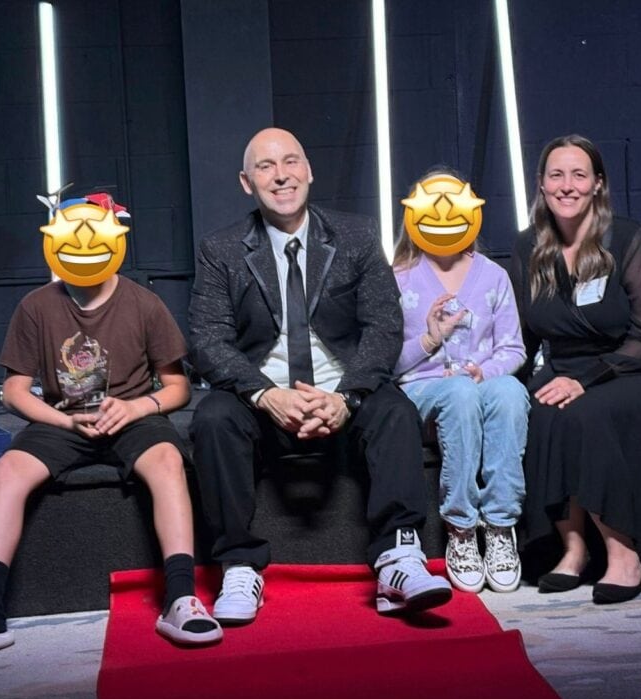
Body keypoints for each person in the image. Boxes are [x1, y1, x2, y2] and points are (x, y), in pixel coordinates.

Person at [0, 194, 222, 665]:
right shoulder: (36, 306)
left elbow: (178, 387)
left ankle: (180, 599)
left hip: (131, 417)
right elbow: (15, 391)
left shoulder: (145, 303)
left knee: (167, 461)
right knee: (8, 471)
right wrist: (62, 418)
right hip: (63, 419)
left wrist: (137, 406)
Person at [188, 127, 452, 624]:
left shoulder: (355, 236)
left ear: (308, 171)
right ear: (247, 182)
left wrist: (346, 398)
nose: (281, 175)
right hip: (262, 402)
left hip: (342, 396)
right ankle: (239, 566)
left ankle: (398, 557)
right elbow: (208, 340)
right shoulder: (220, 249)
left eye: (291, 162)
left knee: (394, 408)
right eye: (266, 167)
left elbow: (383, 326)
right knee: (213, 418)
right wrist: (266, 395)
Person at [511, 134, 641, 604]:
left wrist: (581, 381)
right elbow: (523, 337)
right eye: (556, 175)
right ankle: (574, 549)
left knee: (583, 412)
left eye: (579, 175)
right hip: (566, 370)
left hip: (637, 370)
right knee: (539, 409)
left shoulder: (628, 239)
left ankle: (624, 553)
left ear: (597, 185)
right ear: (542, 186)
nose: (567, 186)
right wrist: (496, 374)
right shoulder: (527, 247)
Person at [393, 169, 529, 594]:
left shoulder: (493, 276)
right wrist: (430, 338)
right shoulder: (398, 277)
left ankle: (501, 526)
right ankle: (462, 527)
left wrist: (482, 371)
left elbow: (514, 350)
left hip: (479, 387)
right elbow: (385, 362)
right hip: (424, 391)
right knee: (458, 392)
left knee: (510, 391)